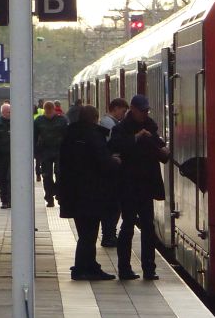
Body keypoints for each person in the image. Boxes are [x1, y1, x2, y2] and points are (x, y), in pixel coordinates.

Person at [109, 94, 169, 281]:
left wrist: (162, 149)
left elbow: (161, 152)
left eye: (146, 111)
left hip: (147, 185)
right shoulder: (121, 129)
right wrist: (136, 138)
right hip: (128, 185)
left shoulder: (151, 127)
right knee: (127, 226)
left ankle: (149, 268)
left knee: (148, 227)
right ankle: (124, 268)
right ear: (133, 110)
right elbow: (114, 146)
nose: (145, 114)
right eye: (142, 111)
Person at [57, 105, 119, 281]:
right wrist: (114, 161)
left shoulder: (69, 135)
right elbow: (102, 161)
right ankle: (83, 269)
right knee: (89, 234)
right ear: (95, 118)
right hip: (91, 193)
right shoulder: (94, 135)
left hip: (73, 193)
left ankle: (88, 265)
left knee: (85, 232)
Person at [98, 98, 128, 247]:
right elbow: (112, 145)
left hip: (110, 171)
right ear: (115, 109)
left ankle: (109, 234)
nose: (124, 114)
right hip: (110, 172)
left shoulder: (109, 123)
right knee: (112, 205)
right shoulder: (109, 124)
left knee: (113, 205)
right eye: (123, 111)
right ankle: (108, 235)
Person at [34, 100, 69, 208]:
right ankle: (49, 198)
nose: (49, 113)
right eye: (47, 110)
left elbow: (67, 136)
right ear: (44, 110)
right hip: (45, 151)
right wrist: (36, 153)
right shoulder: (39, 121)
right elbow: (34, 137)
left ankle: (58, 194)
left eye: (50, 110)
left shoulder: (61, 120)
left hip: (59, 151)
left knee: (60, 174)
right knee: (47, 176)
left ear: (54, 109)